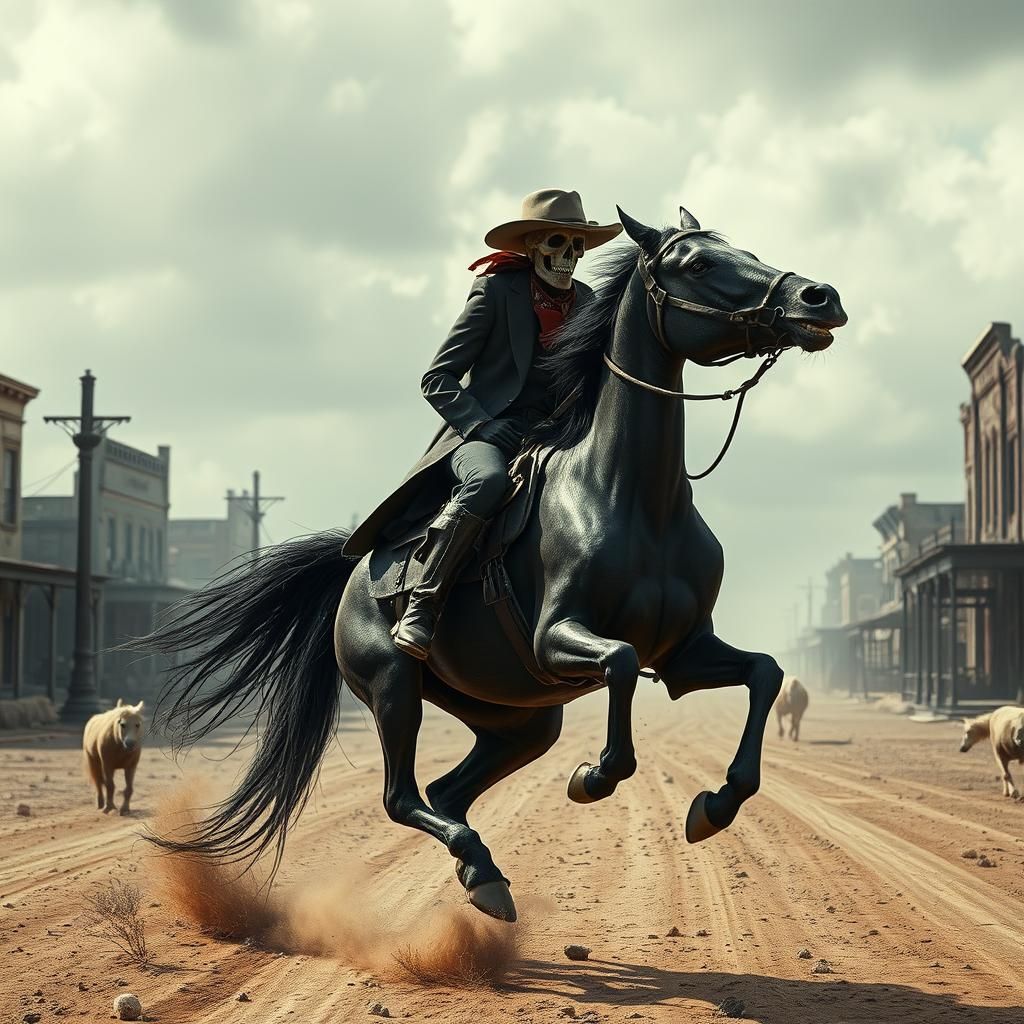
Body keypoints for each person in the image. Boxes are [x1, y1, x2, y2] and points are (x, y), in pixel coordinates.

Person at [344, 188, 621, 659]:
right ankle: (424, 605)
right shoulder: (495, 291)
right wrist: (481, 425)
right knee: (488, 482)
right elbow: (438, 378)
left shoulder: (592, 302)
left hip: (556, 435)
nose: (568, 257)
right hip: (486, 432)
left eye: (576, 246)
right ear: (533, 246)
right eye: (557, 243)